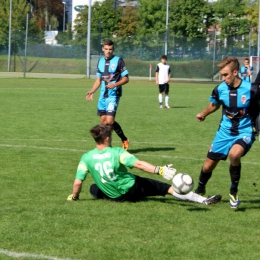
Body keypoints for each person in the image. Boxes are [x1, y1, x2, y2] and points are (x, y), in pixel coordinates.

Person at [67, 124, 222, 205]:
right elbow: (139, 164)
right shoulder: (117, 152)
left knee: (93, 188)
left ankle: (109, 194)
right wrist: (159, 170)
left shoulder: (86, 158)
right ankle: (203, 200)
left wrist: (75, 197)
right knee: (166, 188)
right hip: (131, 189)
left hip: (113, 196)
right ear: (107, 139)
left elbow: (77, 182)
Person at [194, 56, 260, 209]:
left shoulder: (252, 89)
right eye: (221, 75)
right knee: (207, 167)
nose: (223, 78)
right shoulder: (220, 89)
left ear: (235, 72)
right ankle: (200, 188)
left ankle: (233, 191)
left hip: (244, 131)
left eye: (225, 75)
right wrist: (203, 113)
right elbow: (214, 105)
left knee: (234, 154)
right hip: (224, 133)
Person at [86, 39, 129, 150]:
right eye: (106, 49)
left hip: (113, 95)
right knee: (104, 122)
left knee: (109, 121)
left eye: (110, 49)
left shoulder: (118, 60)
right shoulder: (100, 61)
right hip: (102, 96)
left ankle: (123, 139)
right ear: (103, 49)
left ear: (113, 49)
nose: (108, 51)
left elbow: (126, 78)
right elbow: (98, 80)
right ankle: (108, 147)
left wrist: (115, 85)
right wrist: (92, 91)